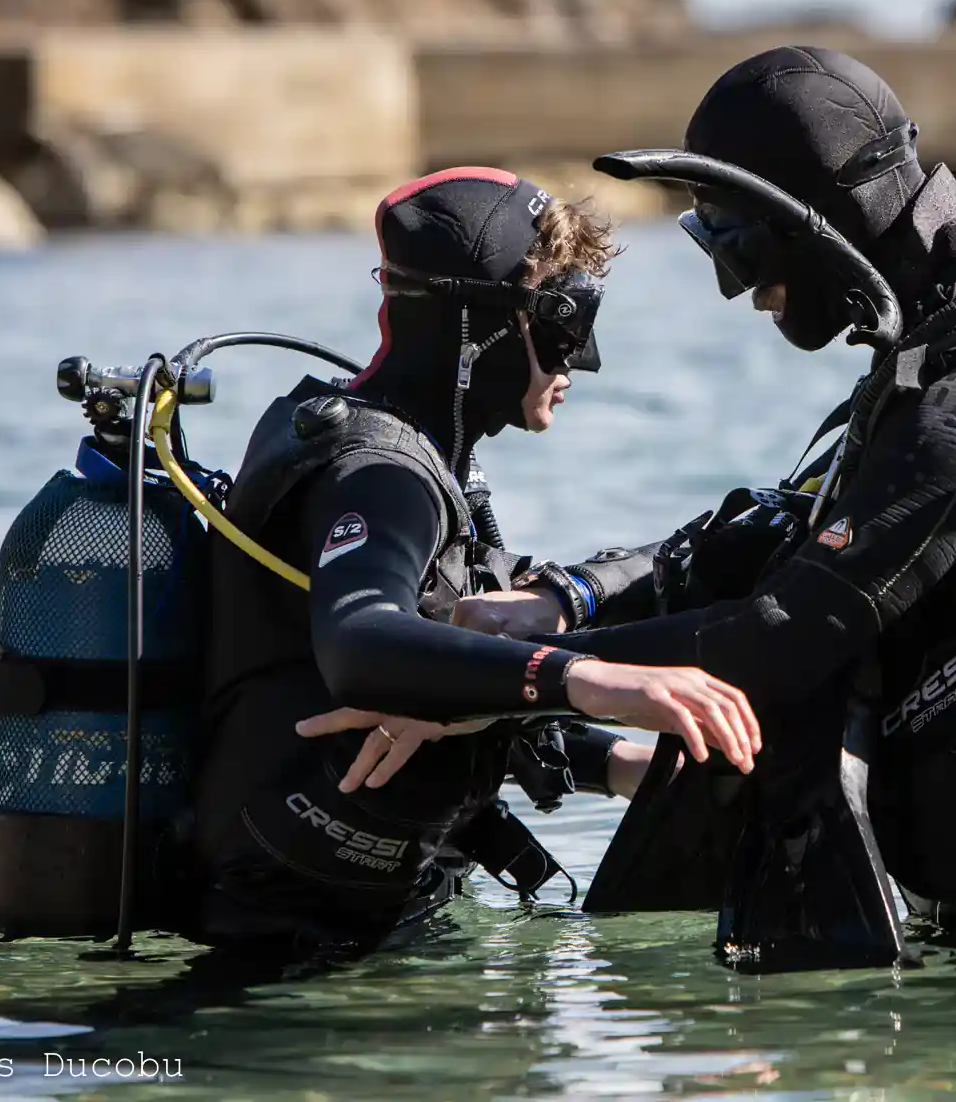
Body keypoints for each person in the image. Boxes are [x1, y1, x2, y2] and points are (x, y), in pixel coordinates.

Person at [432, 48, 956, 944]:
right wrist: (559, 603)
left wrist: (507, 686)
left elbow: (781, 637)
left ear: (824, 218)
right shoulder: (945, 343)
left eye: (739, 239)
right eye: (707, 241)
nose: (733, 284)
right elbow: (777, 530)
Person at [192, 167, 760, 954]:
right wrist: (589, 681)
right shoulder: (381, 475)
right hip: (304, 950)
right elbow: (361, 642)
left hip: (337, 921)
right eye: (565, 325)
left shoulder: (371, 440)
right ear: (480, 326)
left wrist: (624, 767)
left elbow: (440, 682)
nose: (581, 360)